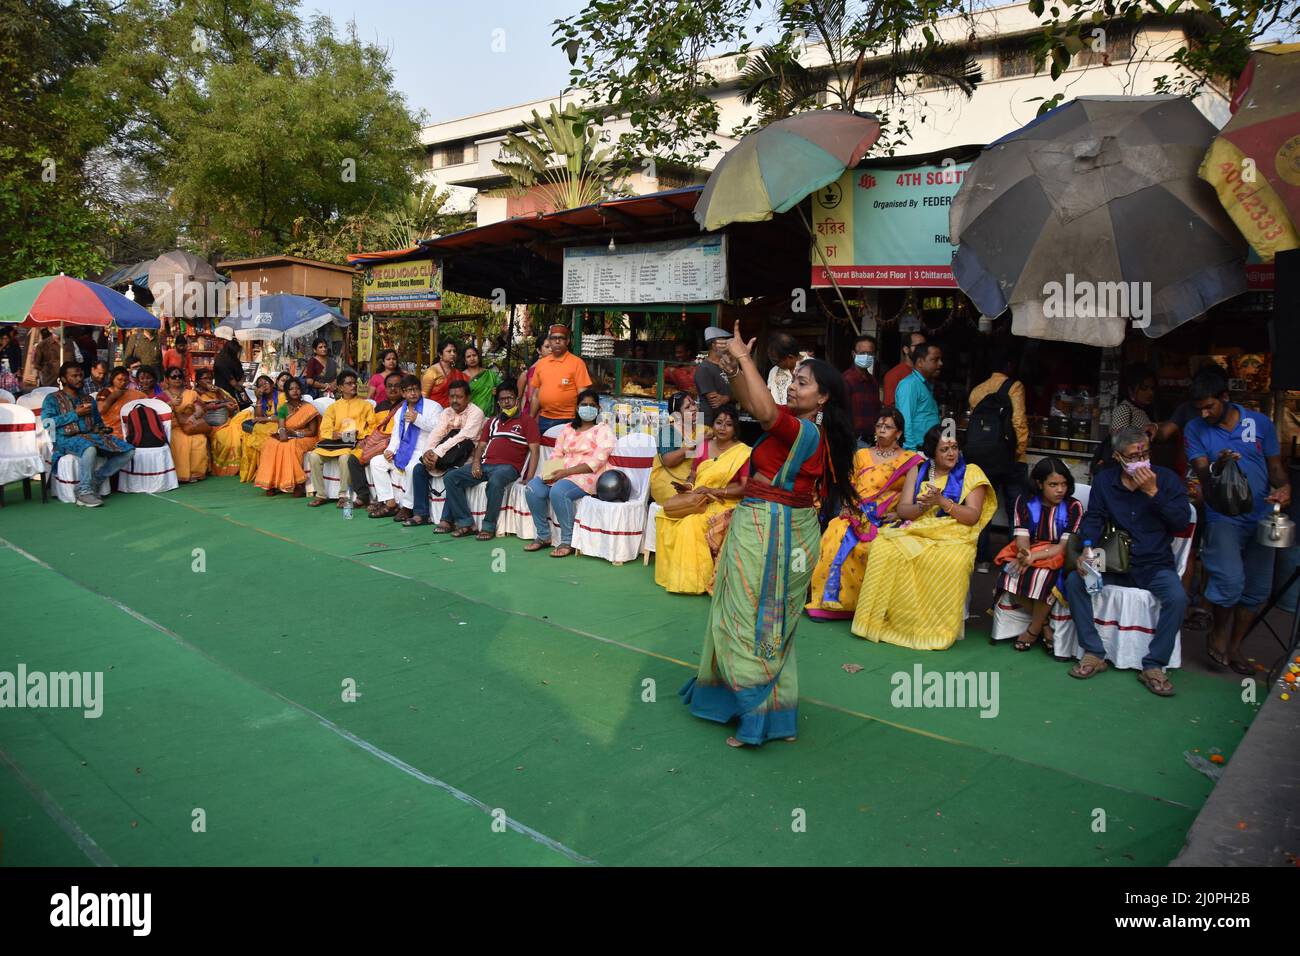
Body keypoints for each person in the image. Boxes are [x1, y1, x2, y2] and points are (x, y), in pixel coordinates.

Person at [681, 323, 856, 748]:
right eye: (792, 381)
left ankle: (758, 714)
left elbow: (761, 412)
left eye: (801, 382)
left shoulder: (804, 431)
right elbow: (750, 400)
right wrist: (735, 364)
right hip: (773, 525)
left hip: (774, 531)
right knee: (751, 617)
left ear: (824, 397)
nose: (792, 387)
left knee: (753, 621)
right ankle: (760, 706)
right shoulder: (801, 426)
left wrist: (742, 359)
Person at [1062, 427, 1190, 696]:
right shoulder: (1105, 481)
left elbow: (1180, 522)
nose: (1141, 460)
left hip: (1155, 562)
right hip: (1112, 559)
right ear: (1119, 457)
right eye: (1134, 456)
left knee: (1177, 598)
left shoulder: (1166, 480)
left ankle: (1154, 665)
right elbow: (1094, 518)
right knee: (1076, 580)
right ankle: (1094, 653)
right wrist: (1087, 548)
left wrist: (1153, 491)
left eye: (1145, 453)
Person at [851, 426, 996, 650]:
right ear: (931, 453)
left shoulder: (971, 472)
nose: (951, 454)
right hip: (918, 528)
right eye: (944, 449)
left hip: (954, 533)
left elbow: (972, 516)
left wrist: (942, 502)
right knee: (883, 548)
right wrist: (923, 506)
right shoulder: (918, 470)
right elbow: (904, 509)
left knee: (951, 560)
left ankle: (932, 628)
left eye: (955, 448)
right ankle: (898, 621)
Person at [1185, 369, 1291, 675]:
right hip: (1223, 516)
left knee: (1257, 589)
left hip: (1263, 516)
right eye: (1199, 409)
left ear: (1225, 398)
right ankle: (1218, 631)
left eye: (1209, 407)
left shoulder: (1260, 424)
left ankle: (1236, 645)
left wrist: (1285, 487)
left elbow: (1275, 468)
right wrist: (1219, 464)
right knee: (1229, 581)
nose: (1204, 414)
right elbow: (1203, 475)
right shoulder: (1195, 428)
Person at [806, 407, 923, 620]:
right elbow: (849, 486)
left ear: (898, 433)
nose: (881, 430)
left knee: (873, 547)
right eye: (879, 426)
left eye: (888, 427)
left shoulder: (909, 461)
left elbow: (909, 498)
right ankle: (830, 604)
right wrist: (849, 507)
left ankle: (862, 604)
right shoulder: (861, 455)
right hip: (855, 514)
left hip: (883, 519)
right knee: (835, 532)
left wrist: (898, 515)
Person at [653, 404, 751, 594]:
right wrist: (687, 487)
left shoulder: (743, 452)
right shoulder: (703, 446)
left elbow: (744, 488)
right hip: (699, 499)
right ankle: (672, 575)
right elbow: (693, 476)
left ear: (735, 428)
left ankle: (698, 580)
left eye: (728, 424)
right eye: (719, 422)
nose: (722, 427)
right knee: (663, 516)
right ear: (712, 425)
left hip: (725, 503)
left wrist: (713, 490)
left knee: (690, 524)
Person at [995, 456, 1084, 653]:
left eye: (1063, 484)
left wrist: (1034, 557)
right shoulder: (1025, 502)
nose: (1060, 489)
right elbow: (1022, 536)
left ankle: (1033, 631)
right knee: (1011, 574)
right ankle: (1044, 625)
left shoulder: (1073, 506)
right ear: (1039, 483)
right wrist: (1025, 554)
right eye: (1053, 484)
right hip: (1030, 549)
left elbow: (1063, 546)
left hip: (1058, 553)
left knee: (1043, 578)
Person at [439, 382, 541, 539]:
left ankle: (488, 527)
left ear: (517, 399)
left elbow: (535, 451)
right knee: (451, 477)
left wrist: (530, 477)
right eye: (502, 399)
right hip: (486, 465)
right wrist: (476, 463)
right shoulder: (492, 421)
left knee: (496, 481)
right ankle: (466, 523)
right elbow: (481, 446)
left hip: (508, 468)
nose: (506, 402)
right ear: (498, 402)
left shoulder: (528, 422)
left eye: (510, 398)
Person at [523, 387, 615, 558]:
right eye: (584, 404)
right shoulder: (567, 429)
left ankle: (567, 540)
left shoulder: (602, 430)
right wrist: (550, 474)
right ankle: (543, 535)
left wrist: (565, 473)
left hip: (587, 476)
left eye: (592, 405)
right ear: (577, 408)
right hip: (561, 473)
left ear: (599, 409)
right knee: (533, 488)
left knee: (559, 491)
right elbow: (557, 454)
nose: (588, 408)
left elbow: (597, 461)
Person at [968, 343, 1030, 572]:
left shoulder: (977, 390)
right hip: (1010, 459)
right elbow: (1018, 422)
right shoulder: (1014, 386)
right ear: (1010, 365)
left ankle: (982, 559)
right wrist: (1018, 452)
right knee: (1017, 509)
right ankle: (1012, 559)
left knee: (983, 507)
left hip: (983, 459)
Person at [42, 363, 135, 507]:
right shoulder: (52, 398)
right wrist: (75, 414)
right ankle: (84, 492)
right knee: (89, 448)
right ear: (63, 379)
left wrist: (102, 430)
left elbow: (98, 422)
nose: (79, 379)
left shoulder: (88, 399)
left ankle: (95, 480)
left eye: (80, 375)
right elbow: (47, 423)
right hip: (65, 439)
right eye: (74, 376)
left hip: (91, 436)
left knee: (128, 450)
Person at [405, 380, 487, 527]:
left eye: (459, 397)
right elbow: (437, 433)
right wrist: (428, 453)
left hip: (467, 456)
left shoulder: (476, 413)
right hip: (444, 455)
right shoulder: (446, 412)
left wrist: (437, 453)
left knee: (452, 475)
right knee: (419, 469)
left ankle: (446, 520)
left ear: (468, 398)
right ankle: (421, 514)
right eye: (451, 397)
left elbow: (464, 436)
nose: (454, 401)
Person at [366, 375, 440, 519]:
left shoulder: (433, 406)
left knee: (412, 468)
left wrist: (417, 419)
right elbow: (396, 436)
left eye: (415, 389)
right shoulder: (400, 411)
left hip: (423, 451)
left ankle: (407, 507)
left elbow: (439, 429)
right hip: (403, 451)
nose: (412, 393)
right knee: (376, 462)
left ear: (420, 390)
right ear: (403, 393)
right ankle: (390, 502)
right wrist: (390, 450)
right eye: (408, 390)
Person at [305, 371, 374, 507]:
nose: (353, 386)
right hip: (334, 443)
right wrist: (334, 434)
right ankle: (321, 495)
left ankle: (343, 495)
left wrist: (363, 438)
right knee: (313, 456)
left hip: (353, 443)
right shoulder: (333, 407)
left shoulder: (365, 405)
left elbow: (372, 426)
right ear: (341, 387)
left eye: (354, 383)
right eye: (349, 383)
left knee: (345, 458)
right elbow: (325, 429)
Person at [346, 370, 404, 507]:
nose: (393, 389)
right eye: (389, 386)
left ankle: (382, 500)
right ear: (385, 388)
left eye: (397, 385)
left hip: (393, 443)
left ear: (403, 388)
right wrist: (366, 439)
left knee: (374, 459)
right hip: (377, 441)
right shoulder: (380, 406)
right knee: (353, 458)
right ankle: (363, 494)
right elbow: (373, 426)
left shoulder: (406, 405)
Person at [254, 378, 319, 495]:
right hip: (290, 436)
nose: (295, 391)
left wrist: (296, 434)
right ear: (286, 392)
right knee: (270, 444)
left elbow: (313, 432)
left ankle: (297, 483)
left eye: (297, 388)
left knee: (291, 445)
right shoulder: (283, 408)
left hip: (306, 437)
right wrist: (282, 432)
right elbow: (281, 425)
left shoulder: (308, 408)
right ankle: (271, 483)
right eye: (291, 389)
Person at [650, 392, 710, 506]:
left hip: (693, 481)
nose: (694, 409)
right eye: (688, 407)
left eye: (694, 404)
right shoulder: (669, 431)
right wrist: (696, 442)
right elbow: (669, 461)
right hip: (669, 483)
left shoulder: (703, 430)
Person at [529, 325, 592, 434]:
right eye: (554, 338)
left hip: (569, 420)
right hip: (544, 419)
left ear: (567, 341)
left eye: (561, 338)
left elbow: (583, 395)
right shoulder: (541, 364)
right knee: (545, 450)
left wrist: (583, 422)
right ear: (550, 341)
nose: (557, 341)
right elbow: (536, 395)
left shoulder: (577, 363)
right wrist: (530, 419)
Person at [161, 365, 210, 482]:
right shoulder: (162, 396)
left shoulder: (191, 393)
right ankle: (181, 474)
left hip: (191, 424)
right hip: (172, 426)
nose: (177, 379)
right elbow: (157, 411)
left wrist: (193, 416)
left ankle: (196, 472)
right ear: (167, 379)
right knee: (179, 441)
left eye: (179, 376)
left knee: (199, 439)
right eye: (173, 377)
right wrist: (171, 404)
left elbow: (201, 408)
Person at [893, 342, 942, 451]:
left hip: (928, 449)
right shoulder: (909, 385)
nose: (940, 363)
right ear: (920, 362)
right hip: (916, 451)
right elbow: (905, 420)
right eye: (935, 360)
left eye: (940, 359)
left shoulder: (925, 384)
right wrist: (911, 453)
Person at [195, 367, 243, 477]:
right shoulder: (195, 394)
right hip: (209, 424)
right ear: (198, 381)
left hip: (226, 420)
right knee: (224, 437)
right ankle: (227, 469)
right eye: (205, 378)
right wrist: (222, 405)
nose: (208, 381)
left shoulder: (218, 391)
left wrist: (219, 393)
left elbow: (234, 405)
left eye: (210, 378)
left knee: (243, 423)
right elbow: (202, 407)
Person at [239, 375, 285, 483]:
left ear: (273, 384)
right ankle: (259, 469)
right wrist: (259, 399)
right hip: (267, 424)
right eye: (260, 385)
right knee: (251, 432)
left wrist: (265, 418)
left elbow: (283, 416)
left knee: (262, 431)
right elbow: (258, 418)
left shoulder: (281, 396)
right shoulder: (262, 399)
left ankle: (268, 468)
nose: (263, 386)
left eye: (266, 383)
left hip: (280, 423)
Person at [842, 334, 880, 444]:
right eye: (862, 353)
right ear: (854, 354)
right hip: (852, 440)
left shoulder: (873, 382)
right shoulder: (846, 380)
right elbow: (841, 413)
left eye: (870, 353)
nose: (866, 356)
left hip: (871, 440)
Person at [694, 327, 733, 428]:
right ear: (714, 346)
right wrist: (732, 397)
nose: (729, 346)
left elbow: (742, 392)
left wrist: (727, 397)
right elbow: (715, 401)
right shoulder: (704, 368)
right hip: (709, 423)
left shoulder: (726, 366)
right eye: (725, 343)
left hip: (724, 421)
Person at [94, 367, 145, 441]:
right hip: (111, 430)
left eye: (126, 380)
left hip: (131, 429)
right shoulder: (105, 392)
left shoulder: (133, 393)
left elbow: (145, 401)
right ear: (112, 379)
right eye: (119, 380)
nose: (123, 382)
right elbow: (101, 410)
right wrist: (112, 397)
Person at [882, 331, 927, 406]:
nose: (923, 350)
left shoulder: (926, 373)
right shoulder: (894, 375)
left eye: (925, 347)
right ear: (906, 349)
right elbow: (891, 407)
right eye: (918, 346)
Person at [421, 340, 467, 406]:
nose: (453, 354)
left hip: (454, 410)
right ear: (440, 354)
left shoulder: (457, 373)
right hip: (435, 411)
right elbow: (424, 396)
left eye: (454, 351)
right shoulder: (432, 371)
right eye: (449, 351)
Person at [463, 344, 502, 416]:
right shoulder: (461, 377)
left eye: (474, 355)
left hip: (489, 417)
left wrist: (498, 391)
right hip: (469, 416)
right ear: (465, 360)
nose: (472, 358)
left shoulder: (490, 374)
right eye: (468, 357)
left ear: (478, 357)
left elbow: (504, 389)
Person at [517, 335, 551, 413]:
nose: (551, 349)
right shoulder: (534, 370)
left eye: (552, 346)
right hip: (535, 414)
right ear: (539, 350)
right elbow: (531, 397)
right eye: (547, 347)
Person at [766, 333, 800, 405]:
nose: (774, 364)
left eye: (776, 361)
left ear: (790, 357)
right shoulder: (774, 371)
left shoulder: (811, 368)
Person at [213, 338, 247, 409]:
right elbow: (233, 382)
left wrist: (241, 383)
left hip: (236, 389)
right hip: (226, 392)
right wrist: (241, 390)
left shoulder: (233, 359)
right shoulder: (221, 361)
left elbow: (242, 374)